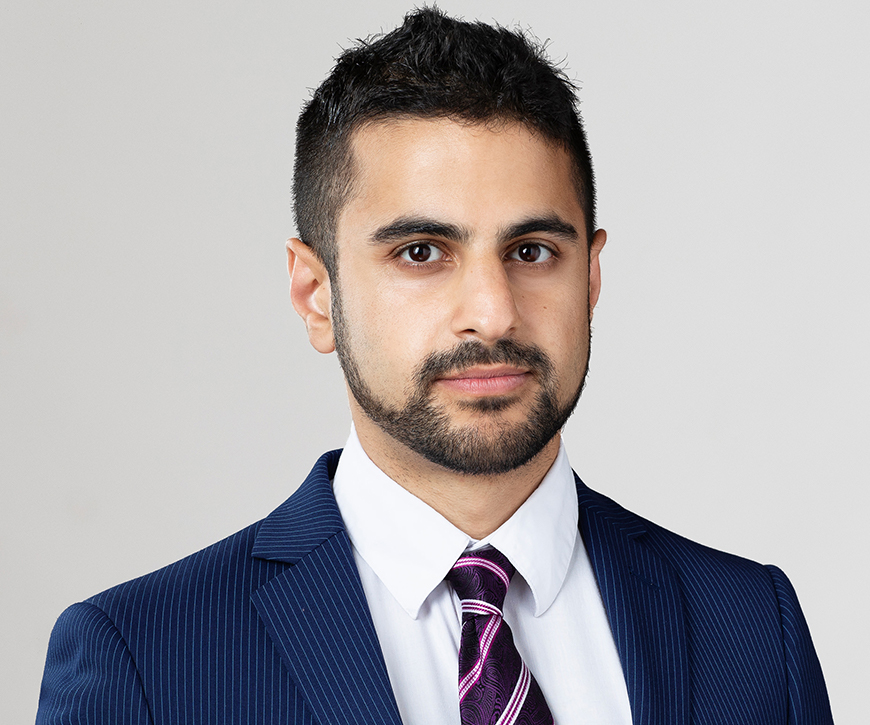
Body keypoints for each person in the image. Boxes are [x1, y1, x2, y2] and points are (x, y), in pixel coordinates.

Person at [36, 7, 832, 725]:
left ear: (591, 278)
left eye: (532, 251)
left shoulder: (753, 627)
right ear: (315, 294)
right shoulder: (144, 658)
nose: (492, 311)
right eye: (421, 252)